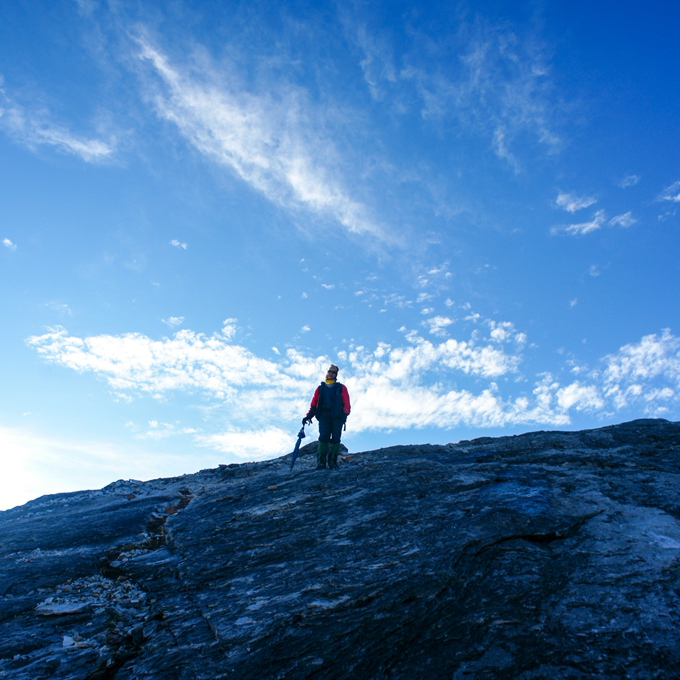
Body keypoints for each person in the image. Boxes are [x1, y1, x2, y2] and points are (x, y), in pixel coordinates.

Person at [302, 364, 351, 469]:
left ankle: (333, 462)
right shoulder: (320, 389)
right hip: (324, 415)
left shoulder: (341, 387)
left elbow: (346, 403)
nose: (331, 374)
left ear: (336, 375)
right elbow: (314, 404)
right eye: (330, 371)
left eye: (333, 372)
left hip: (337, 416)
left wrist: (344, 415)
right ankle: (321, 463)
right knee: (323, 438)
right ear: (327, 373)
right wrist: (309, 416)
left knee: (336, 438)